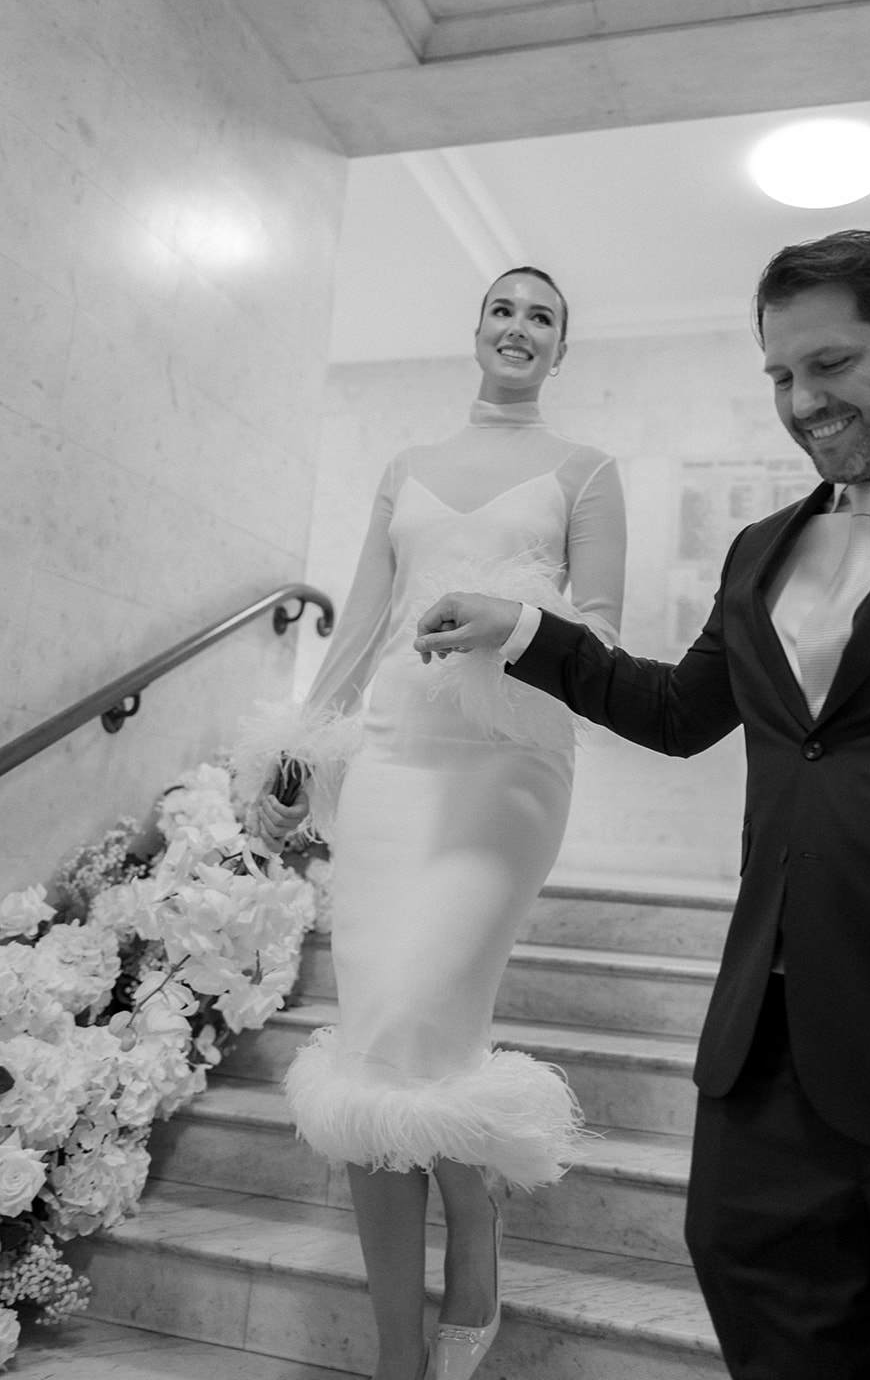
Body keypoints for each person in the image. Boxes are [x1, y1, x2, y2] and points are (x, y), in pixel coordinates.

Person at [413, 230, 870, 1380]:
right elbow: (677, 710)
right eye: (777, 376)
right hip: (768, 1074)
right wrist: (524, 631)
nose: (801, 401)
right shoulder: (765, 547)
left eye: (829, 363)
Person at [243, 267, 626, 1380]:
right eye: (503, 308)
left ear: (563, 350)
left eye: (543, 316)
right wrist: (297, 747)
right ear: (475, 332)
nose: (519, 327)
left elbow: (596, 638)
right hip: (394, 771)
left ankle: (477, 1223)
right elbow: (361, 625)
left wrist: (512, 622)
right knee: (381, 1049)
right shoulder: (404, 469)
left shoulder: (587, 470)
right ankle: (399, 1353)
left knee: (412, 1021)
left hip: (506, 774)